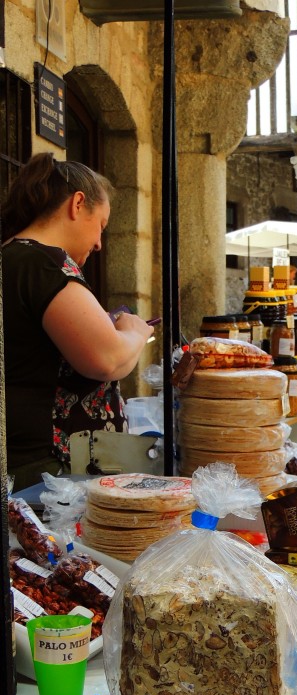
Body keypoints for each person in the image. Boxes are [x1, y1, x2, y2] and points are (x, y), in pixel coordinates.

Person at [2, 153, 154, 490]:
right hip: (46, 472)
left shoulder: (15, 257)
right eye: (100, 225)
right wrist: (134, 332)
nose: (99, 243)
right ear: (78, 203)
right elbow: (107, 360)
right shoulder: (43, 263)